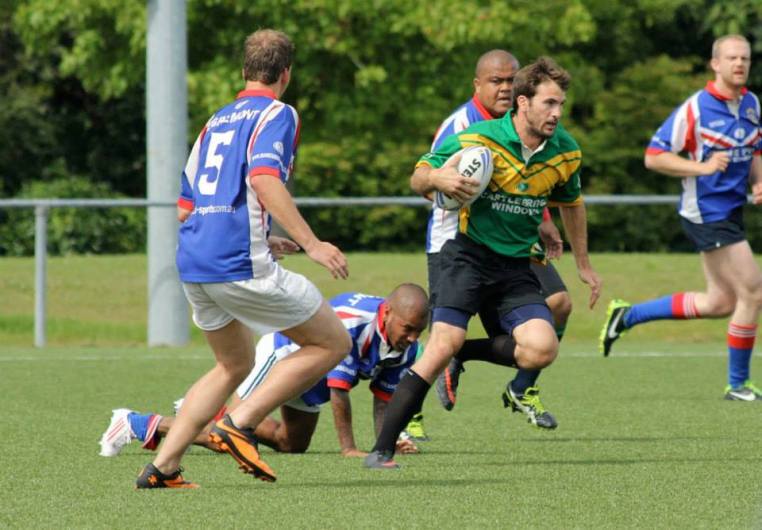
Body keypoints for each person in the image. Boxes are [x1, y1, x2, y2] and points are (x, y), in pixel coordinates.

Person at [135, 29, 353, 489]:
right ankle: (240, 422)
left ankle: (162, 468)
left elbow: (186, 207)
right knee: (332, 343)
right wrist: (312, 244)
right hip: (236, 263)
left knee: (232, 365)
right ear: (286, 74)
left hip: (194, 262)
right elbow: (264, 179)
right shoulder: (278, 113)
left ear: (244, 71)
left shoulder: (215, 121)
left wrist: (261, 236)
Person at [365, 57, 602, 469]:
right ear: (523, 103)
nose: (557, 113)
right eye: (549, 103)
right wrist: (437, 178)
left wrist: (583, 263)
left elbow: (572, 203)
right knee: (440, 346)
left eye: (561, 104)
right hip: (468, 258)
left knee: (542, 349)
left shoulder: (565, 151)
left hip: (516, 267)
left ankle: (464, 355)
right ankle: (381, 450)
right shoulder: (480, 138)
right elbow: (419, 175)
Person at [415, 49, 572, 432]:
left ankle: (522, 388)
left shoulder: (523, 121)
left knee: (559, 303)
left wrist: (544, 219)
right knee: (442, 337)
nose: (504, 88)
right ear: (477, 85)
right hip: (456, 239)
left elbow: (526, 178)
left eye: (510, 80)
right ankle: (408, 418)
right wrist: (445, 185)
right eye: (495, 81)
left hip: (514, 241)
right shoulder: (461, 125)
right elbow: (428, 180)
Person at [600, 34, 762, 401]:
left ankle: (627, 316)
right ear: (715, 64)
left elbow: (754, 149)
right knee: (754, 290)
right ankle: (737, 385)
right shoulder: (696, 108)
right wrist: (702, 167)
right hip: (706, 212)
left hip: (730, 211)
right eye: (732, 58)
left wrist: (758, 181)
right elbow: (653, 157)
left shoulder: (751, 104)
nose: (739, 63)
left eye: (745, 58)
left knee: (720, 303)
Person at [100, 285, 427, 458]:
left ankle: (207, 412)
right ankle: (135, 423)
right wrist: (349, 449)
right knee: (229, 437)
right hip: (284, 356)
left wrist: (387, 442)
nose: (412, 337)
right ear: (387, 312)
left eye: (418, 331)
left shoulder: (406, 346)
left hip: (311, 379)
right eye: (408, 328)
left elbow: (383, 399)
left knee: (291, 444)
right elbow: (339, 390)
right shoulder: (352, 322)